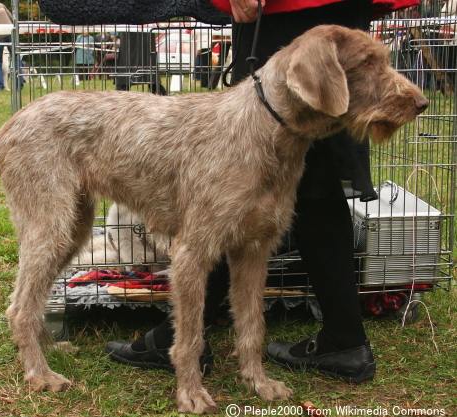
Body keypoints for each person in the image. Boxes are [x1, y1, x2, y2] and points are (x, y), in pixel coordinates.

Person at [106, 0, 420, 383]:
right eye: (374, 68)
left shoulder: (325, 55)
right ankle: (340, 338)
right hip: (305, 21)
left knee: (278, 188)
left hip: (286, 13)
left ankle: (320, 343)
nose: (410, 92)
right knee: (257, 187)